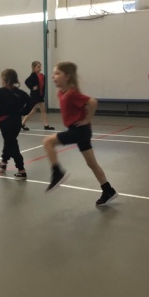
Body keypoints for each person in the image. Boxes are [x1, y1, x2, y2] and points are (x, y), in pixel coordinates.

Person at [43, 62, 118, 206]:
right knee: (92, 163)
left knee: (48, 141)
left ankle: (57, 172)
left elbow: (92, 102)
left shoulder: (72, 93)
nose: (53, 77)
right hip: (78, 130)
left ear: (67, 76)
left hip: (79, 131)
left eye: (57, 73)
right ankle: (108, 190)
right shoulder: (61, 92)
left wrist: (87, 119)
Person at [0, 69, 33, 180]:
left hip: (6, 122)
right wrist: (22, 112)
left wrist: (1, 113)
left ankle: (21, 170)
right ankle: (3, 163)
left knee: (11, 143)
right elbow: (31, 102)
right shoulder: (20, 93)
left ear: (5, 79)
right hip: (17, 122)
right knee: (9, 141)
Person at [21, 61, 55, 131]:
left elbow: (43, 86)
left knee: (42, 110)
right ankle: (22, 123)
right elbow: (26, 81)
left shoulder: (42, 76)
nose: (40, 68)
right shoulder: (33, 75)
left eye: (40, 67)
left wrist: (42, 94)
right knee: (33, 111)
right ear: (34, 68)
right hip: (35, 96)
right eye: (38, 67)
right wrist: (32, 87)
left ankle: (46, 125)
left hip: (40, 95)